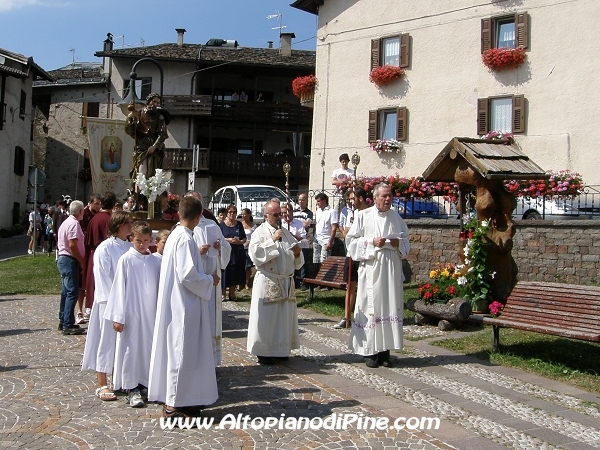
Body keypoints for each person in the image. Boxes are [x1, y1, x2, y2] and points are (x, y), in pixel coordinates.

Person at [148, 196, 220, 418]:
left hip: (182, 302)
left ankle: (187, 399)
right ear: (199, 217)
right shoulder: (185, 239)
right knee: (180, 352)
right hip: (182, 306)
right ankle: (173, 405)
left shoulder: (176, 236)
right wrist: (210, 280)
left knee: (187, 354)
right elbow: (188, 275)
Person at [345, 183, 410, 368]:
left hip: (390, 268)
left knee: (388, 306)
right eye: (384, 196)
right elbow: (351, 243)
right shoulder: (363, 216)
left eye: (390, 196)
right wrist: (371, 242)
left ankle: (385, 350)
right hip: (372, 268)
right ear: (374, 198)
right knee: (371, 307)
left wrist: (398, 244)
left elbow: (406, 242)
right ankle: (369, 351)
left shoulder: (396, 217)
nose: (388, 199)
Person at [105, 221, 161, 408]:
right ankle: (131, 387)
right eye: (138, 240)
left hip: (151, 314)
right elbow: (119, 288)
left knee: (149, 349)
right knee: (131, 349)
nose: (142, 244)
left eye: (146, 241)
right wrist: (118, 316)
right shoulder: (126, 260)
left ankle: (147, 383)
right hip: (132, 315)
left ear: (151, 240)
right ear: (131, 239)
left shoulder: (156, 261)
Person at [81, 211, 132, 402]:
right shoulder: (105, 248)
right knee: (106, 342)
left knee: (125, 344)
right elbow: (105, 279)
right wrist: (117, 304)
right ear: (117, 225)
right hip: (108, 303)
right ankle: (102, 382)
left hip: (128, 303)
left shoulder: (130, 247)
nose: (131, 226)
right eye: (127, 223)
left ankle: (123, 379)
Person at [247, 201, 304, 365]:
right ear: (266, 215)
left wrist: (297, 253)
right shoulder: (260, 232)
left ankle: (280, 350)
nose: (279, 217)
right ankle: (264, 351)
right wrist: (272, 239)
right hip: (268, 280)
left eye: (281, 214)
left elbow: (297, 260)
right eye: (275, 214)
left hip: (285, 282)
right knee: (268, 319)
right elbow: (255, 254)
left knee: (283, 319)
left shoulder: (286, 233)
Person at [189, 191, 231, 366]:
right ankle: (196, 360)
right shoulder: (183, 229)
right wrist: (197, 252)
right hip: (194, 285)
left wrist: (220, 247)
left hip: (212, 283)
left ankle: (210, 362)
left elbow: (226, 247)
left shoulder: (211, 224)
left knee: (210, 320)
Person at [334, 187, 369, 329]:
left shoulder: (369, 214)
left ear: (360, 198)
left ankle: (363, 316)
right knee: (350, 286)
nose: (350, 202)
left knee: (365, 287)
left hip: (364, 254)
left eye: (353, 199)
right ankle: (347, 316)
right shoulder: (350, 213)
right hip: (351, 253)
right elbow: (346, 233)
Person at [125, 93, 170, 186]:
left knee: (154, 175)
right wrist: (130, 118)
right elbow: (129, 131)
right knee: (141, 173)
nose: (155, 104)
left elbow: (162, 135)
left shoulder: (159, 116)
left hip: (155, 149)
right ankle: (139, 196)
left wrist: (154, 146)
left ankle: (151, 196)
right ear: (149, 101)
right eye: (154, 101)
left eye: (157, 103)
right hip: (141, 146)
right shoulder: (138, 113)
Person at [56, 200, 86, 335]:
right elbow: (72, 244)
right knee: (72, 292)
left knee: (66, 291)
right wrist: (81, 261)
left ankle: (63, 320)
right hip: (69, 259)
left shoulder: (66, 222)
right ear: (80, 212)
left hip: (63, 258)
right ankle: (68, 323)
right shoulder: (74, 224)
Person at [84, 192, 117, 315]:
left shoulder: (94, 218)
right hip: (105, 257)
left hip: (93, 255)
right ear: (114, 205)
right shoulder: (109, 220)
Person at [219, 205, 246, 301]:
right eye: (230, 212)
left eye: (234, 212)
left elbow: (244, 238)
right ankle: (223, 294)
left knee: (234, 273)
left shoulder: (239, 224)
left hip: (236, 252)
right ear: (227, 213)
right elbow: (219, 238)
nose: (232, 214)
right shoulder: (222, 225)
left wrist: (240, 242)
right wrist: (228, 240)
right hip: (225, 251)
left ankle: (232, 293)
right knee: (225, 272)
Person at [282, 202, 308, 288]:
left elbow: (303, 237)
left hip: (297, 248)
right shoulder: (281, 224)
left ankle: (302, 284)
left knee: (301, 264)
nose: (284, 215)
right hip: (285, 249)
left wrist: (291, 235)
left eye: (286, 212)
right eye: (282, 213)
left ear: (291, 212)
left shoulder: (298, 223)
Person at [293, 193, 314, 290]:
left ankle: (302, 283)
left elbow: (305, 224)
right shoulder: (293, 212)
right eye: (300, 199)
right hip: (292, 239)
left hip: (302, 238)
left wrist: (297, 225)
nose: (301, 201)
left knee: (302, 261)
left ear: (307, 201)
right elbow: (291, 222)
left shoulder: (309, 213)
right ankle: (294, 283)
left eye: (303, 200)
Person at [313, 192, 338, 267]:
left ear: (324, 201)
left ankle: (325, 277)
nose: (317, 203)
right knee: (316, 260)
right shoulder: (318, 211)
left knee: (324, 261)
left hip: (326, 240)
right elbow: (316, 225)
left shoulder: (332, 212)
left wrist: (330, 241)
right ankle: (316, 277)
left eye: (319, 201)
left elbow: (334, 228)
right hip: (317, 239)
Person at [240, 208, 256, 290]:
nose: (243, 216)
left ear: (249, 215)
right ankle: (239, 283)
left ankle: (247, 283)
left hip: (248, 248)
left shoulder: (253, 226)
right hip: (240, 247)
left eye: (245, 214)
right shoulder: (240, 224)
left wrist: (249, 242)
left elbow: (255, 237)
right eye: (242, 214)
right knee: (240, 266)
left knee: (247, 267)